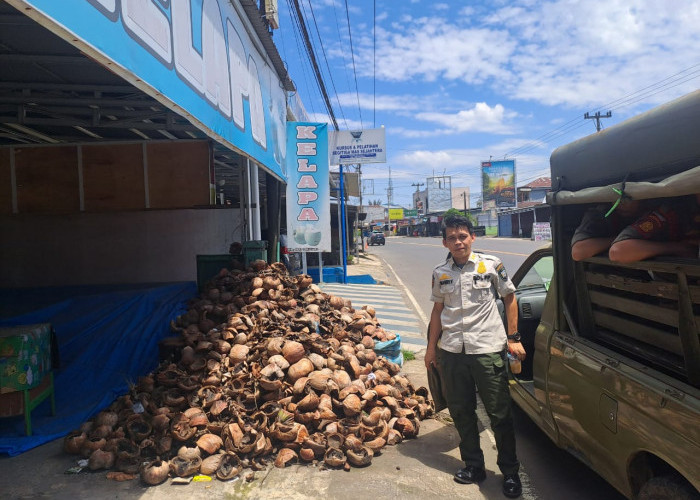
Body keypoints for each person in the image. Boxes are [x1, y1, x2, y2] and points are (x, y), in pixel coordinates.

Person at [424, 215, 526, 498]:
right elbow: (437, 312)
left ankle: (510, 472)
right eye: (452, 238)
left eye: (463, 236)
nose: (458, 241)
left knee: (500, 414)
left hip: (487, 350)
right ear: (444, 242)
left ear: (472, 237)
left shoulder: (491, 265)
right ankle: (474, 465)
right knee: (461, 411)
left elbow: (510, 297)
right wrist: (431, 348)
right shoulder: (439, 272)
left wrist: (513, 337)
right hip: (453, 351)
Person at [572, 194, 700, 262]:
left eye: (627, 197)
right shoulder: (602, 214)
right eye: (614, 197)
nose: (620, 203)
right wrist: (677, 247)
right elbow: (578, 252)